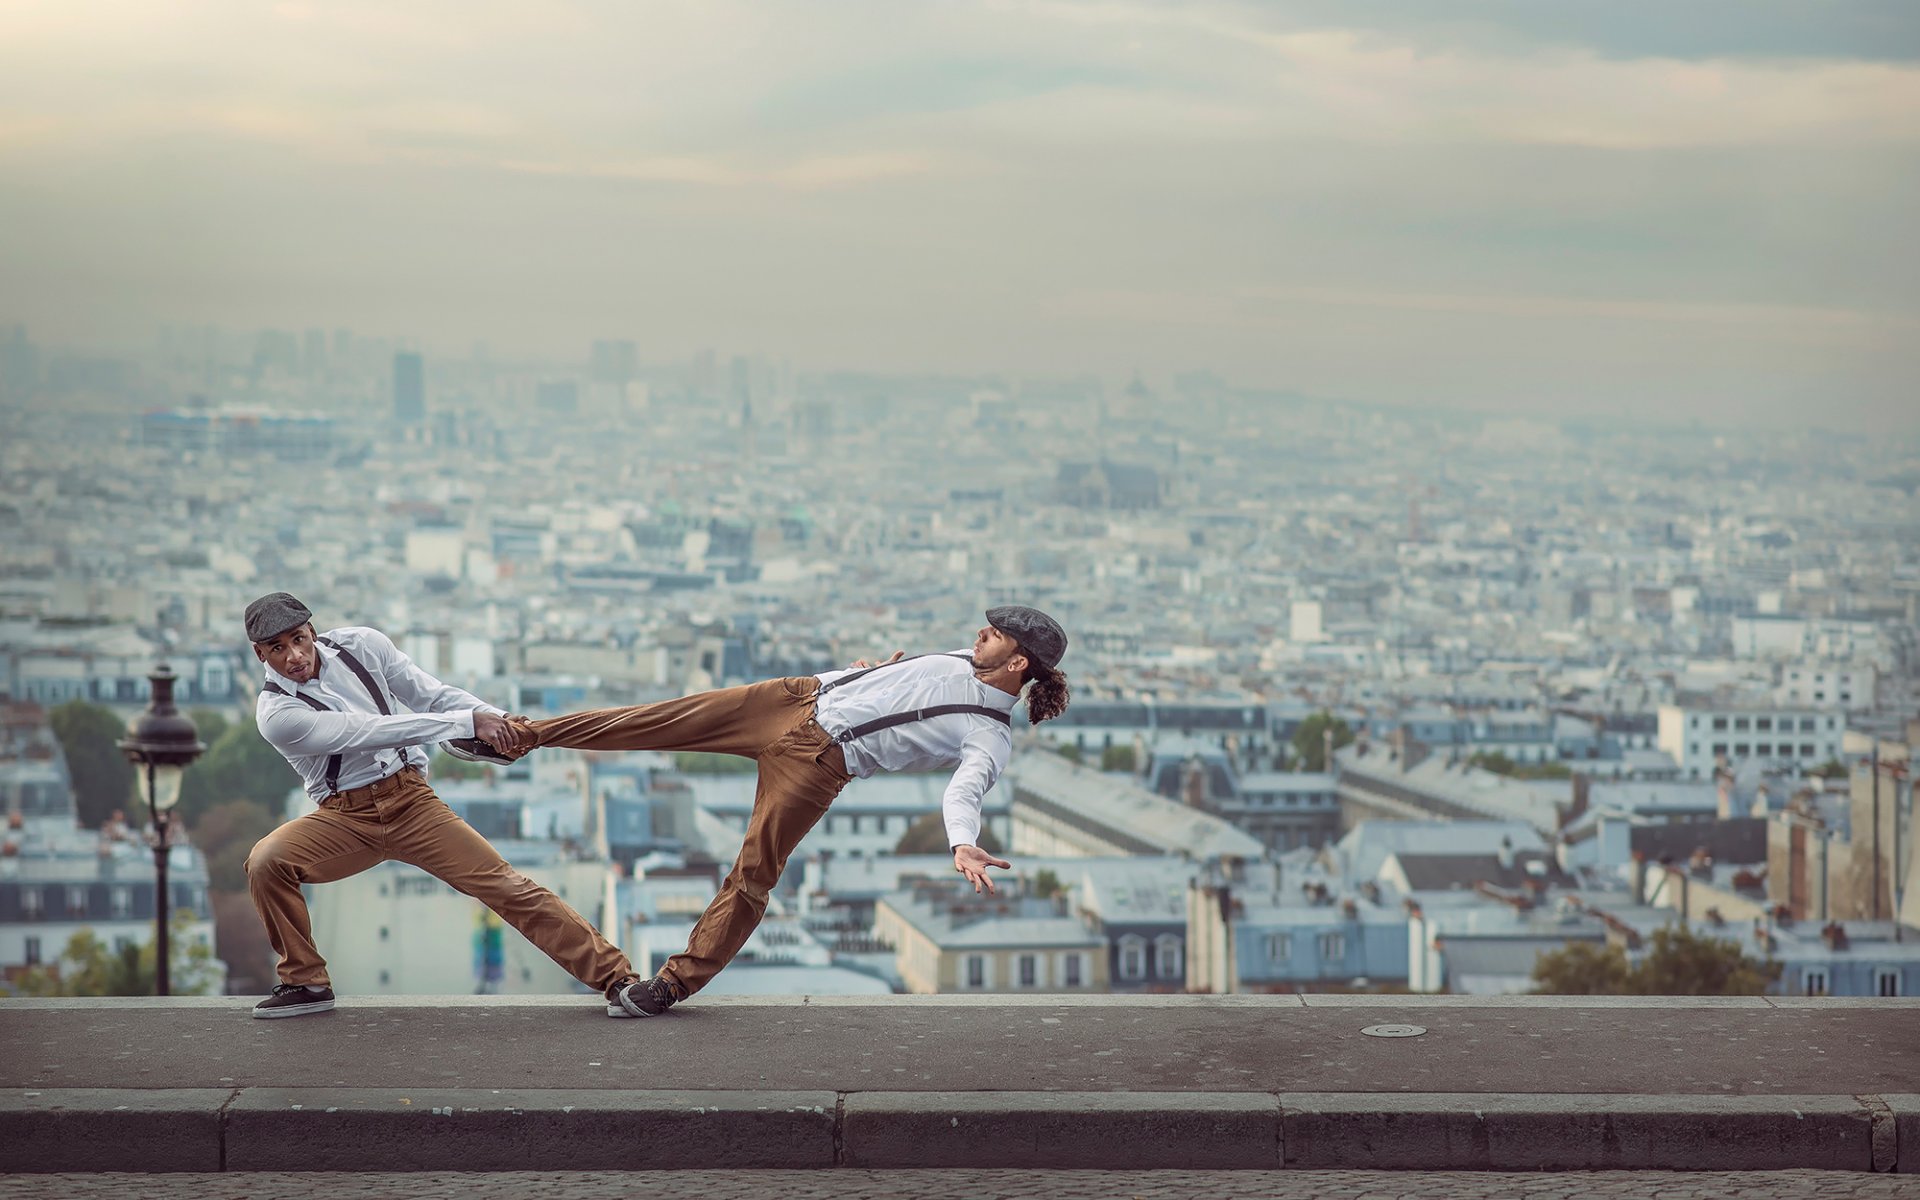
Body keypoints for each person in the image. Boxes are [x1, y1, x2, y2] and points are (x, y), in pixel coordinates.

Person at [488, 604, 1072, 1017]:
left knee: (753, 875)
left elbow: (964, 791)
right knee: (657, 717)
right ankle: (520, 735)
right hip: (796, 698)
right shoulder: (958, 658)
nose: (980, 634)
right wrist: (864, 676)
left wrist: (960, 842)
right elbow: (899, 683)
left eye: (995, 634)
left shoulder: (989, 735)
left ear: (1019, 664)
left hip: (817, 762)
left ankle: (669, 987)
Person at [239, 591, 652, 1019]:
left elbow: (431, 696)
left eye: (298, 639)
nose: (294, 656)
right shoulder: (276, 713)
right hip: (345, 818)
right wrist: (468, 723)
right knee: (267, 861)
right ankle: (304, 981)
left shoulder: (362, 646)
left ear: (313, 631)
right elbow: (367, 731)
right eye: (277, 649)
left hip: (412, 803)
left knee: (508, 887)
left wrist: (501, 720)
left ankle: (618, 979)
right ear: (259, 654)